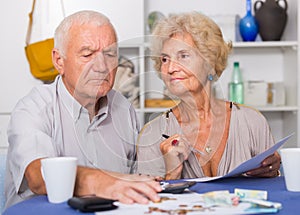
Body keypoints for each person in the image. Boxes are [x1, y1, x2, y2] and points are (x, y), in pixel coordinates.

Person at [4, 10, 161, 209]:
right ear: (59, 61)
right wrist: (104, 182)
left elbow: (134, 180)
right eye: (87, 54)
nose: (102, 66)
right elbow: (38, 176)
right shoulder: (33, 108)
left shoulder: (124, 108)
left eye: (110, 54)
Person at [137, 12, 281, 180]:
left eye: (183, 56)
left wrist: (273, 170)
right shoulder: (152, 135)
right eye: (164, 59)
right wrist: (172, 173)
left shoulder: (253, 122)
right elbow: (150, 205)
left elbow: (272, 192)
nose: (170, 68)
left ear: (210, 63)